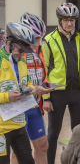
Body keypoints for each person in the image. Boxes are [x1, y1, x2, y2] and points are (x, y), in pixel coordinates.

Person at [41, 3, 80, 164]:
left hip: (77, 93)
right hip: (57, 93)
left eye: (72, 20)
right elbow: (43, 71)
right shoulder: (48, 40)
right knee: (53, 133)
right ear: (60, 21)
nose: (69, 23)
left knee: (78, 133)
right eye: (66, 20)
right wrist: (46, 97)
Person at [11, 12, 52, 164]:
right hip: (20, 107)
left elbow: (43, 74)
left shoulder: (41, 50)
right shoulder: (16, 53)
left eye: (39, 38)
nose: (37, 42)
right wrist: (34, 89)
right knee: (19, 151)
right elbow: (13, 82)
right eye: (34, 38)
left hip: (35, 106)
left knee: (42, 146)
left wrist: (46, 88)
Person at [0, 22, 37, 164]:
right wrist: (6, 96)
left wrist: (30, 88)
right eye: (21, 50)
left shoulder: (21, 61)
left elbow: (27, 81)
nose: (22, 55)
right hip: (1, 129)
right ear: (9, 43)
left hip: (19, 124)